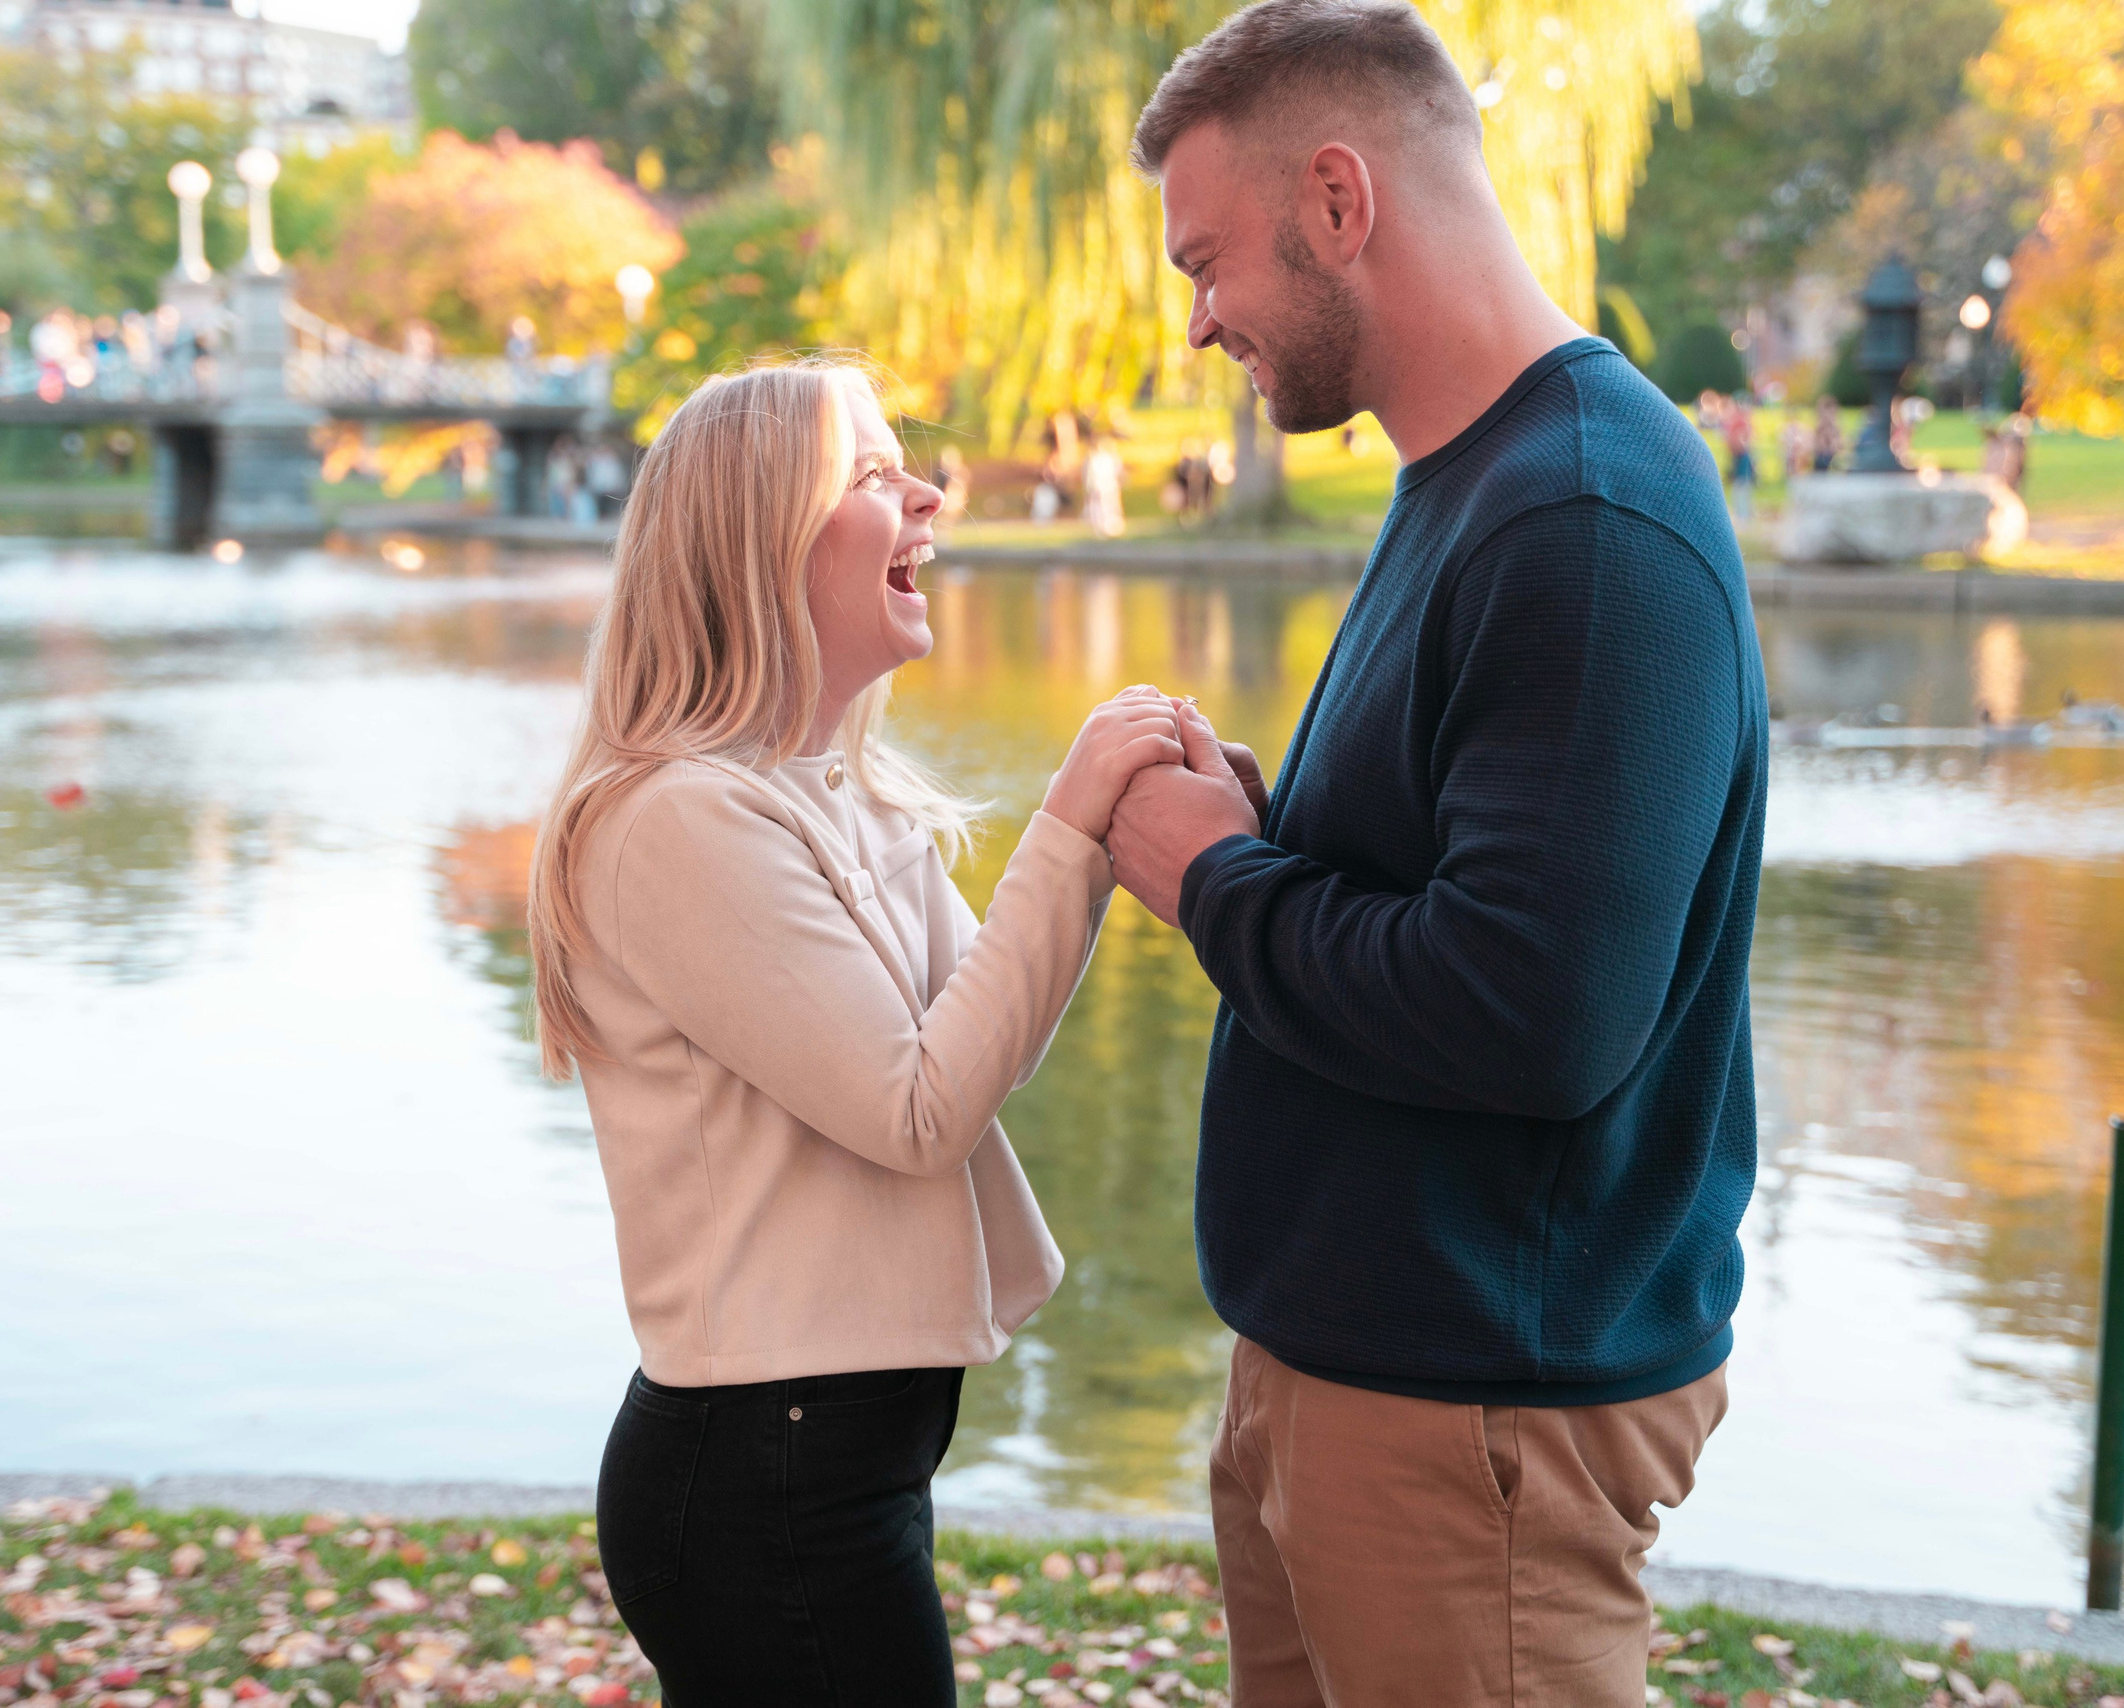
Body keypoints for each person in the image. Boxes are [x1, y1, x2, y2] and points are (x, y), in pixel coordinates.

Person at [1110, 3, 1768, 1703]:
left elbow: (1531, 1015)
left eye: (1206, 261)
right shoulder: (1469, 480)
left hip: (1474, 1418)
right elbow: (1462, 879)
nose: (1197, 321)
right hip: (1359, 1377)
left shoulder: (1585, 518)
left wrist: (1212, 880)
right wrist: (1268, 829)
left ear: (1339, 201)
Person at [522, 359, 1189, 1703]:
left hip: (835, 1454)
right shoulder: (679, 819)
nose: (930, 496)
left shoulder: (832, 788)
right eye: (876, 475)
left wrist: (1123, 838)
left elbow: (976, 1053)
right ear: (761, 539)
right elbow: (915, 1111)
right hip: (765, 1474)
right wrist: (1068, 825)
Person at [1810, 393, 1843, 472]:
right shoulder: (1820, 427)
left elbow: (1839, 445)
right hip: (1822, 457)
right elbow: (1818, 445)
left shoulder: (1834, 427)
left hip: (1831, 457)